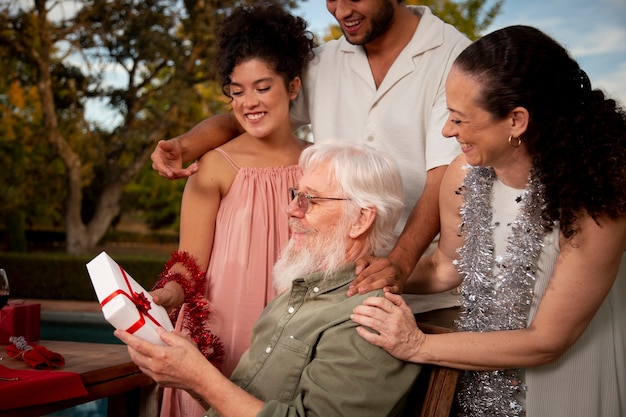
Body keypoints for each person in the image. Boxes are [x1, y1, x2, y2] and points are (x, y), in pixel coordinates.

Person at [351, 25, 626, 417]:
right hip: (484, 381)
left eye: (459, 119)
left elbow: (548, 340)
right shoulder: (464, 174)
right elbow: (446, 269)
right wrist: (384, 272)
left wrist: (416, 346)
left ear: (516, 121)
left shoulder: (595, 198)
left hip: (570, 379)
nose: (448, 131)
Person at [149, 0, 471, 304]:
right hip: (328, 291)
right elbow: (248, 117)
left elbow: (442, 177)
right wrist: (184, 146)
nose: (341, 11)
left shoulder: (453, 58)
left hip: (418, 287)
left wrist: (399, 263)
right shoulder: (322, 62)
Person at [117, 142, 421, 417]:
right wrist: (188, 373)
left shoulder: (370, 317)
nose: (290, 210)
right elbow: (240, 404)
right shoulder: (294, 296)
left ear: (361, 220)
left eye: (310, 200)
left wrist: (199, 378)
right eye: (295, 195)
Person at [149, 4, 316, 415]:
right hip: (218, 334)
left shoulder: (319, 165)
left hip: (294, 333)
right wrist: (168, 294)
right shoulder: (214, 165)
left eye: (263, 87)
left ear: (292, 87)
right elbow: (190, 262)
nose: (249, 103)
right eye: (237, 91)